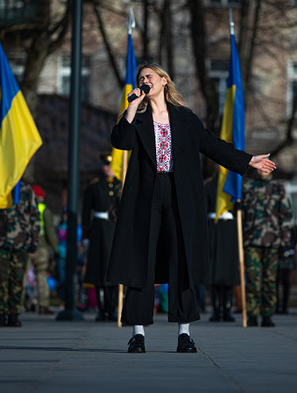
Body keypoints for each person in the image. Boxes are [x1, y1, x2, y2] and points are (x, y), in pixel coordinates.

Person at [107, 63, 276, 354]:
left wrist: (247, 161)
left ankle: (184, 334)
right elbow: (120, 141)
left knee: (181, 260)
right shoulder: (139, 117)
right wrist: (132, 106)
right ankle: (138, 334)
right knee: (141, 261)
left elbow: (213, 145)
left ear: (163, 80)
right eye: (140, 78)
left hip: (179, 194)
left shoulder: (185, 119)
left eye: (149, 76)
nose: (144, 81)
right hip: (145, 196)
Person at [242, 168, 293, 327]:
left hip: (272, 241)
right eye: (261, 166)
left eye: (267, 166)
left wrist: (285, 242)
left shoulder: (278, 188)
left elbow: (286, 215)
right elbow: (241, 212)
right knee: (253, 279)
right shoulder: (247, 187)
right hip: (251, 240)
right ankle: (252, 314)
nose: (263, 170)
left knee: (270, 280)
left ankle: (267, 314)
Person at [0, 182, 40, 327]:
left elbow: (34, 216)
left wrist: (34, 240)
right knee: (1, 280)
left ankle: (14, 314)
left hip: (21, 242)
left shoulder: (26, 190)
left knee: (17, 281)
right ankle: (1, 314)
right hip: (1, 242)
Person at [82, 153, 121, 321]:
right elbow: (85, 212)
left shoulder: (122, 185)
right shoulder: (94, 186)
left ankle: (112, 308)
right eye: (105, 164)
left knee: (114, 271)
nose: (107, 167)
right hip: (98, 230)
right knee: (98, 271)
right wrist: (85, 235)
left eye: (110, 164)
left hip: (114, 230)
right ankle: (101, 308)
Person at [204, 174, 239, 322]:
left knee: (229, 272)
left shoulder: (235, 188)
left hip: (230, 231)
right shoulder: (208, 186)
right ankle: (216, 308)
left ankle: (227, 308)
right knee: (214, 271)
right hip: (213, 229)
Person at [28, 185, 58, 316]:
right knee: (41, 275)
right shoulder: (44, 211)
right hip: (41, 247)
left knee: (22, 277)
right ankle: (43, 305)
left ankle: (20, 304)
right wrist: (56, 249)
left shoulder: (26, 208)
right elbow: (50, 232)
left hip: (26, 246)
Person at [277, 221, 297, 314]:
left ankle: (285, 306)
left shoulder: (293, 225)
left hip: (287, 255)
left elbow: (295, 240)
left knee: (286, 281)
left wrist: (289, 250)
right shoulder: (276, 222)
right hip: (277, 254)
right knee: (275, 281)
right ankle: (276, 306)